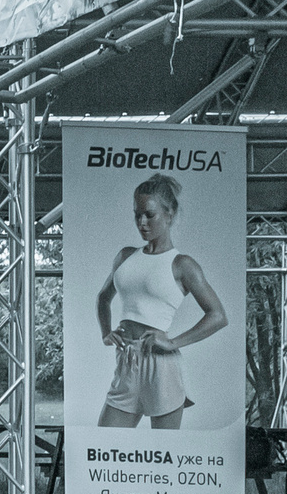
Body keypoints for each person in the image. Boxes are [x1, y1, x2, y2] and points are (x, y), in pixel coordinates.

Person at [96, 174, 226, 429]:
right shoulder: (125, 256)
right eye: (137, 215)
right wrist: (105, 333)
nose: (142, 223)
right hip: (127, 361)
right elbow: (103, 298)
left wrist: (173, 343)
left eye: (150, 215)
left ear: (170, 214)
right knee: (105, 448)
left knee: (163, 455)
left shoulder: (183, 265)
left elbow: (218, 315)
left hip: (161, 366)